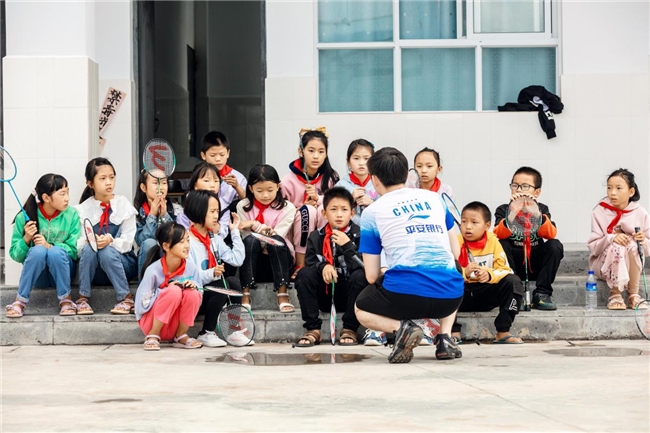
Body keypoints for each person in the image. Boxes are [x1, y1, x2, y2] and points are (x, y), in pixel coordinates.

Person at [354, 147, 464, 364]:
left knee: (360, 308)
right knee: (453, 266)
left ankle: (404, 329)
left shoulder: (372, 212)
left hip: (406, 297)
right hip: (450, 297)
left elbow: (371, 276)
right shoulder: (435, 199)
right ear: (407, 175)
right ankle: (444, 337)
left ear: (374, 179)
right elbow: (456, 252)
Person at [294, 187, 367, 347]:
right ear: (324, 214)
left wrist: (347, 246)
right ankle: (313, 329)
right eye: (333, 210)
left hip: (350, 297)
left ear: (352, 213)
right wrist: (324, 266)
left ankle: (349, 328)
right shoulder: (316, 236)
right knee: (304, 274)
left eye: (344, 210)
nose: (339, 214)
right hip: (325, 294)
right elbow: (311, 262)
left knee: (361, 275)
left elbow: (365, 265)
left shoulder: (360, 235)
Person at [6, 174, 81, 318]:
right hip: (38, 277)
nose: (67, 198)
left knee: (55, 252)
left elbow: (74, 250)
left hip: (63, 273)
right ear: (46, 198)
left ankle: (66, 300)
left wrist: (50, 246)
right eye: (62, 194)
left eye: (67, 192)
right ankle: (20, 302)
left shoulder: (72, 214)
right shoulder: (24, 217)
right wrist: (26, 239)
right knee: (38, 251)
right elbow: (15, 255)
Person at [451, 201, 524, 344]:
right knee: (446, 283)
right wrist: (464, 272)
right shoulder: (455, 242)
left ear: (487, 226)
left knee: (513, 282)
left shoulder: (494, 242)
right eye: (464, 222)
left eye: (474, 222)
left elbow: (505, 270)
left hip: (486, 294)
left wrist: (489, 274)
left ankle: (503, 332)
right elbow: (445, 271)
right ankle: (453, 332)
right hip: (461, 296)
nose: (468, 227)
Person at [184, 190, 248, 347]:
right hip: (194, 296)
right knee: (221, 287)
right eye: (212, 211)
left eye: (217, 211)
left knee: (233, 282)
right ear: (198, 211)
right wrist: (212, 273)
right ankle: (206, 332)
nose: (216, 216)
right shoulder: (186, 241)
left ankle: (232, 331)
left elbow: (237, 259)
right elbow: (191, 276)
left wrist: (234, 232)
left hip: (211, 293)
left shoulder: (214, 239)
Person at [494, 166, 563, 310]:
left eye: (525, 186)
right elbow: (498, 234)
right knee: (501, 244)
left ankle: (542, 294)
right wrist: (513, 212)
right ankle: (514, 293)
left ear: (536, 192)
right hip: (514, 263)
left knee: (555, 245)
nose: (518, 190)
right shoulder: (503, 209)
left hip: (536, 261)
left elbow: (550, 234)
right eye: (515, 185)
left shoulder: (542, 209)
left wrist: (536, 213)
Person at [75, 158, 138, 315]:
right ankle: (83, 298)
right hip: (96, 270)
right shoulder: (83, 209)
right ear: (90, 183)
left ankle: (126, 298)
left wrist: (111, 241)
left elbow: (128, 243)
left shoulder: (124, 204)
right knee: (90, 249)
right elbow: (78, 245)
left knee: (106, 250)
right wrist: (91, 241)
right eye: (102, 179)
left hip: (123, 266)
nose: (109, 182)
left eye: (111, 177)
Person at [236, 164, 296, 312]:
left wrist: (254, 225)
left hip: (280, 260)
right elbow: (246, 237)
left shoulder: (288, 208)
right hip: (255, 262)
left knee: (276, 242)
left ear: (278, 186)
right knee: (250, 241)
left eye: (270, 190)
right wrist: (263, 230)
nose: (265, 195)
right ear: (250, 188)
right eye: (259, 190)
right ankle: (245, 293)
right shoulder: (242, 206)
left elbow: (276, 236)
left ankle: (282, 293)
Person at [588, 169, 649, 310]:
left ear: (631, 192)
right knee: (617, 246)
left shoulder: (640, 213)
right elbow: (593, 247)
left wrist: (642, 240)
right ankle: (615, 293)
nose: (612, 192)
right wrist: (611, 238)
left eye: (618, 188)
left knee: (632, 245)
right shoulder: (599, 211)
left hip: (631, 263)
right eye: (609, 188)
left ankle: (633, 294)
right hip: (603, 264)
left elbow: (646, 250)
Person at [135, 222, 203, 350]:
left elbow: (200, 295)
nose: (187, 246)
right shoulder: (153, 270)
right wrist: (164, 290)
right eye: (181, 242)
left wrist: (194, 287)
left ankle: (181, 335)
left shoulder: (191, 268)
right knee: (173, 291)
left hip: (175, 323)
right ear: (166, 246)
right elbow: (141, 305)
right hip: (152, 323)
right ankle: (153, 335)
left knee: (193, 293)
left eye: (188, 240)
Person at [282, 127, 339, 279]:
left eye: (321, 152)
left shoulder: (331, 177)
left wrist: (319, 199)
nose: (316, 156)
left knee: (323, 209)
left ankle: (324, 260)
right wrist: (301, 207)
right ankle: (300, 264)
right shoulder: (288, 181)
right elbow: (280, 211)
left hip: (322, 225)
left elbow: (336, 204)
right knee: (308, 211)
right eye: (311, 150)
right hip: (297, 229)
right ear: (301, 152)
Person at [134, 168, 181, 278]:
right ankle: (144, 290)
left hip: (170, 258)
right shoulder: (136, 212)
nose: (161, 187)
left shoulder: (177, 209)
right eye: (155, 183)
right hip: (148, 259)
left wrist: (164, 216)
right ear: (143, 187)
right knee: (150, 243)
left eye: (164, 183)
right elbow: (142, 241)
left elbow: (178, 238)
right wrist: (152, 216)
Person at [175, 162, 229, 239]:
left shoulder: (224, 208)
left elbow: (223, 234)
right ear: (195, 184)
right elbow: (182, 235)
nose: (212, 185)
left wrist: (211, 223)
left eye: (216, 181)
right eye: (206, 181)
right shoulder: (188, 208)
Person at [200, 131, 247, 213]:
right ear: (203, 155)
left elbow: (248, 203)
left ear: (228, 153)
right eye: (213, 155)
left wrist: (237, 186)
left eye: (222, 155)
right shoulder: (199, 175)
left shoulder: (238, 177)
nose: (218, 159)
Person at [335, 139, 378, 226]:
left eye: (366, 158)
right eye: (356, 158)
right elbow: (333, 211)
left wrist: (372, 204)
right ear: (348, 162)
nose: (361, 163)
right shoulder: (340, 186)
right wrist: (350, 199)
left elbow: (385, 210)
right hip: (347, 232)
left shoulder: (379, 184)